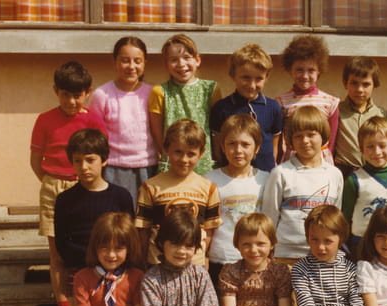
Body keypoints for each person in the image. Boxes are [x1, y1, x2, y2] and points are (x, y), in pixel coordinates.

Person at [30, 60, 106, 306]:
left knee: (89, 248)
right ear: (56, 91)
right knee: (57, 253)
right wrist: (55, 183)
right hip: (54, 186)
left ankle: (91, 303)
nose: (71, 101)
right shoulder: (45, 120)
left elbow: (101, 157)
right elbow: (36, 162)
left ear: (88, 92)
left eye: (77, 95)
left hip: (84, 187)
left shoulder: (93, 120)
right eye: (65, 95)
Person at [54, 129, 135, 306]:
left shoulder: (120, 196)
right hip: (80, 274)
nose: (84, 167)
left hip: (117, 273)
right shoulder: (65, 200)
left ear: (104, 160)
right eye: (77, 161)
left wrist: (111, 263)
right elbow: (63, 244)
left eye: (90, 160)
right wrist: (93, 261)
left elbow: (128, 237)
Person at [135, 119, 222, 268]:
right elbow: (143, 230)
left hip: (194, 265)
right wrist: (143, 262)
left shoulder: (209, 188)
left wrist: (203, 257)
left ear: (201, 153)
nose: (184, 159)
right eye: (178, 152)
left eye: (191, 154)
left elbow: (209, 231)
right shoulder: (150, 187)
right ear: (166, 149)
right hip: (158, 265)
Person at [261, 105, 343, 262]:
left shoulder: (334, 175)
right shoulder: (280, 173)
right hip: (286, 256)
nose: (305, 141)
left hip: (323, 256)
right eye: (298, 136)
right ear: (291, 140)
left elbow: (336, 219)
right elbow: (269, 217)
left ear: (323, 136)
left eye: (311, 135)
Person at [90, 36, 158, 207]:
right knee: (117, 217)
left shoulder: (152, 93)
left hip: (148, 167)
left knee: (145, 218)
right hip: (113, 168)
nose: (131, 66)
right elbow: (95, 136)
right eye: (125, 60)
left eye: (137, 61)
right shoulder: (102, 95)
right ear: (115, 62)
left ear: (145, 63)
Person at [207, 114, 269, 286]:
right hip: (221, 258)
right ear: (222, 146)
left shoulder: (266, 180)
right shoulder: (210, 181)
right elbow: (206, 227)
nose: (238, 150)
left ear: (257, 148)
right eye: (232, 144)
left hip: (256, 259)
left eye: (245, 144)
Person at [149, 34, 222, 176]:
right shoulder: (160, 91)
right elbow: (157, 134)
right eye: (173, 60)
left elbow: (216, 131)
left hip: (204, 164)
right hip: (172, 164)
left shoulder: (211, 89)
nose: (181, 64)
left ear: (197, 60)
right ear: (166, 64)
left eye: (187, 57)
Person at [210, 43, 282, 172]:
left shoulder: (273, 107)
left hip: (265, 174)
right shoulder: (221, 108)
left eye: (258, 79)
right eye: (245, 78)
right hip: (231, 174)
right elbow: (217, 148)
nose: (252, 85)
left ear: (266, 78)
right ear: (233, 75)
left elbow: (274, 145)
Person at [342, 116, 387, 253]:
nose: (377, 152)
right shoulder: (354, 180)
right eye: (370, 146)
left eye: (382, 146)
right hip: (362, 245)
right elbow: (345, 218)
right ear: (361, 149)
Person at [276, 35, 340, 164]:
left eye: (311, 70)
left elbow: (332, 141)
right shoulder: (281, 102)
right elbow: (278, 141)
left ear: (319, 71)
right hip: (292, 162)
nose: (305, 76)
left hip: (321, 161)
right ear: (290, 70)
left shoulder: (330, 102)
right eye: (299, 70)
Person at [333, 56, 386, 179]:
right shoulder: (336, 111)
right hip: (344, 171)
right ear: (345, 83)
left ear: (375, 85)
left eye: (366, 84)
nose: (359, 89)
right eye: (354, 83)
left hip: (373, 172)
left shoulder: (381, 114)